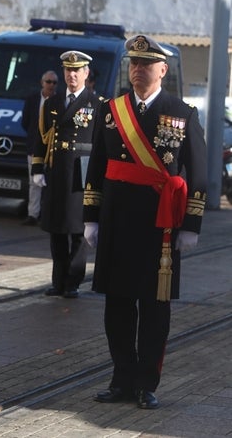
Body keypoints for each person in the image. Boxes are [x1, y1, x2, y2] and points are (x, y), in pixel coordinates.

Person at [84, 34, 207, 409]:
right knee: (117, 305)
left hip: (161, 227)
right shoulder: (111, 110)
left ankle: (145, 383)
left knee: (154, 308)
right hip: (118, 221)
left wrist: (191, 225)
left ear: (162, 70)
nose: (138, 70)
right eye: (133, 64)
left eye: (146, 64)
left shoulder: (182, 113)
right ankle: (121, 379)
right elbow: (97, 168)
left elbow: (198, 175)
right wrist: (91, 217)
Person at [31, 51, 101, 299]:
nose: (72, 75)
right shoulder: (52, 102)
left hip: (81, 173)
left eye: (76, 71)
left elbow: (101, 144)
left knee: (78, 231)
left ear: (85, 73)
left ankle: (73, 280)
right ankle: (58, 280)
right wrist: (38, 168)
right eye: (67, 71)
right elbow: (41, 138)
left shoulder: (97, 104)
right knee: (56, 229)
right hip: (57, 171)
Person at [20, 70, 57, 225]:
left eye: (54, 83)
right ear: (42, 83)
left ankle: (49, 214)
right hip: (34, 148)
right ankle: (33, 214)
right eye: (48, 82)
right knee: (34, 182)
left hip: (53, 151)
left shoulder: (60, 100)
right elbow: (25, 122)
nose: (51, 85)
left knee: (52, 183)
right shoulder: (32, 99)